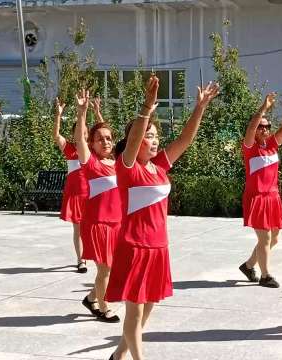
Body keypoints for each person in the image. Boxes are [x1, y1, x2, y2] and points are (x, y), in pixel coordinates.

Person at [105, 76, 219, 360]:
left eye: (156, 136)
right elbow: (133, 139)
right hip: (135, 247)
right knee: (136, 308)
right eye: (149, 136)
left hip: (159, 247)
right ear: (136, 140)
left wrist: (200, 107)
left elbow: (185, 139)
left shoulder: (158, 168)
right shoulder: (127, 168)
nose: (155, 141)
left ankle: (118, 355)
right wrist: (146, 108)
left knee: (151, 303)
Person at [238, 92, 282, 288]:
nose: (264, 129)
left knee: (275, 238)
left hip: (273, 197)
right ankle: (265, 275)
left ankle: (248, 266)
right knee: (265, 238)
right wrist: (263, 108)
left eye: (267, 126)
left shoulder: (272, 145)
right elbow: (251, 126)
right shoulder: (249, 147)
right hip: (257, 198)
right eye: (261, 127)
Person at [74, 90, 120, 322]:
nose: (106, 142)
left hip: (117, 225)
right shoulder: (91, 163)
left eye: (109, 138)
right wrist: (82, 112)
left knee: (112, 270)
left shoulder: (120, 163)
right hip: (97, 224)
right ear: (92, 143)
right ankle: (103, 307)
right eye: (100, 139)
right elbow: (79, 140)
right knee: (105, 269)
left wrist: (98, 112)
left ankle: (91, 298)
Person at [53, 98, 89, 273]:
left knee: (91, 228)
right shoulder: (69, 149)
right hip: (75, 194)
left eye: (84, 132)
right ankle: (80, 260)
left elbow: (105, 133)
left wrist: (95, 112)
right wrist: (58, 116)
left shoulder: (92, 150)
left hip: (92, 195)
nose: (81, 134)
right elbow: (56, 135)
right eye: (78, 132)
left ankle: (93, 255)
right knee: (78, 228)